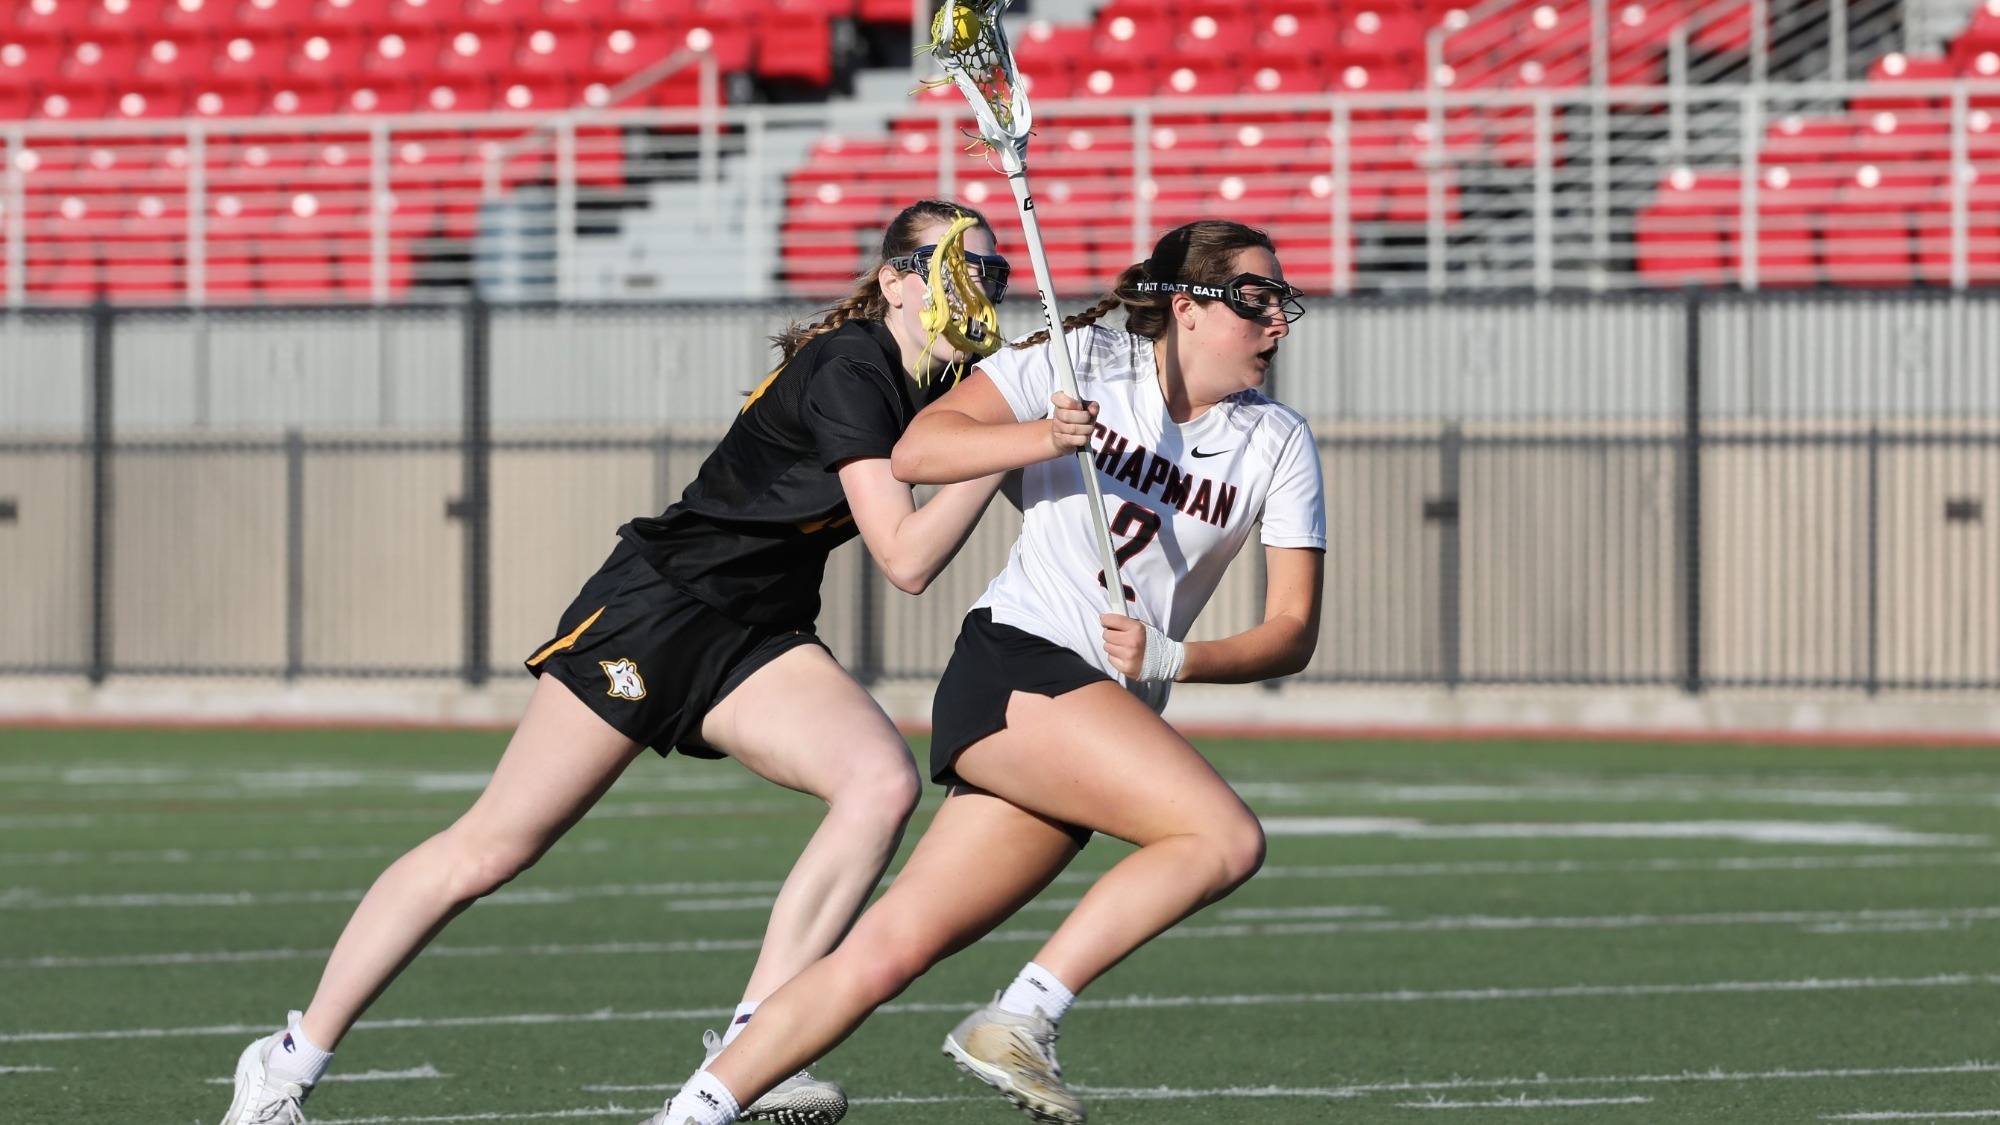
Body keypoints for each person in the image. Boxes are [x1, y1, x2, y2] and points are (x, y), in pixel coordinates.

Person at [219, 199, 1016, 1125]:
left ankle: (754, 1045)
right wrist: (1012, 443)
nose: (975, 285)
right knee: (490, 849)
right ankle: (284, 1063)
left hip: (757, 634)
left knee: (879, 784)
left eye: (991, 273)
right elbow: (908, 558)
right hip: (658, 612)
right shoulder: (851, 366)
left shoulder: (957, 378)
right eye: (954, 264)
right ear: (894, 280)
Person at [642, 218, 1326, 1125]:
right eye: (1255, 299)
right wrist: (1044, 434)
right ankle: (1022, 1015)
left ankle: (691, 1113)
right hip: (1021, 665)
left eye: (1283, 303)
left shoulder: (1277, 441)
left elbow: (1291, 632)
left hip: (1098, 711)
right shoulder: (1083, 362)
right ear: (1187, 307)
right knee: (1223, 837)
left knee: (883, 953)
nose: (1278, 320)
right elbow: (919, 452)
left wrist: (1178, 658)